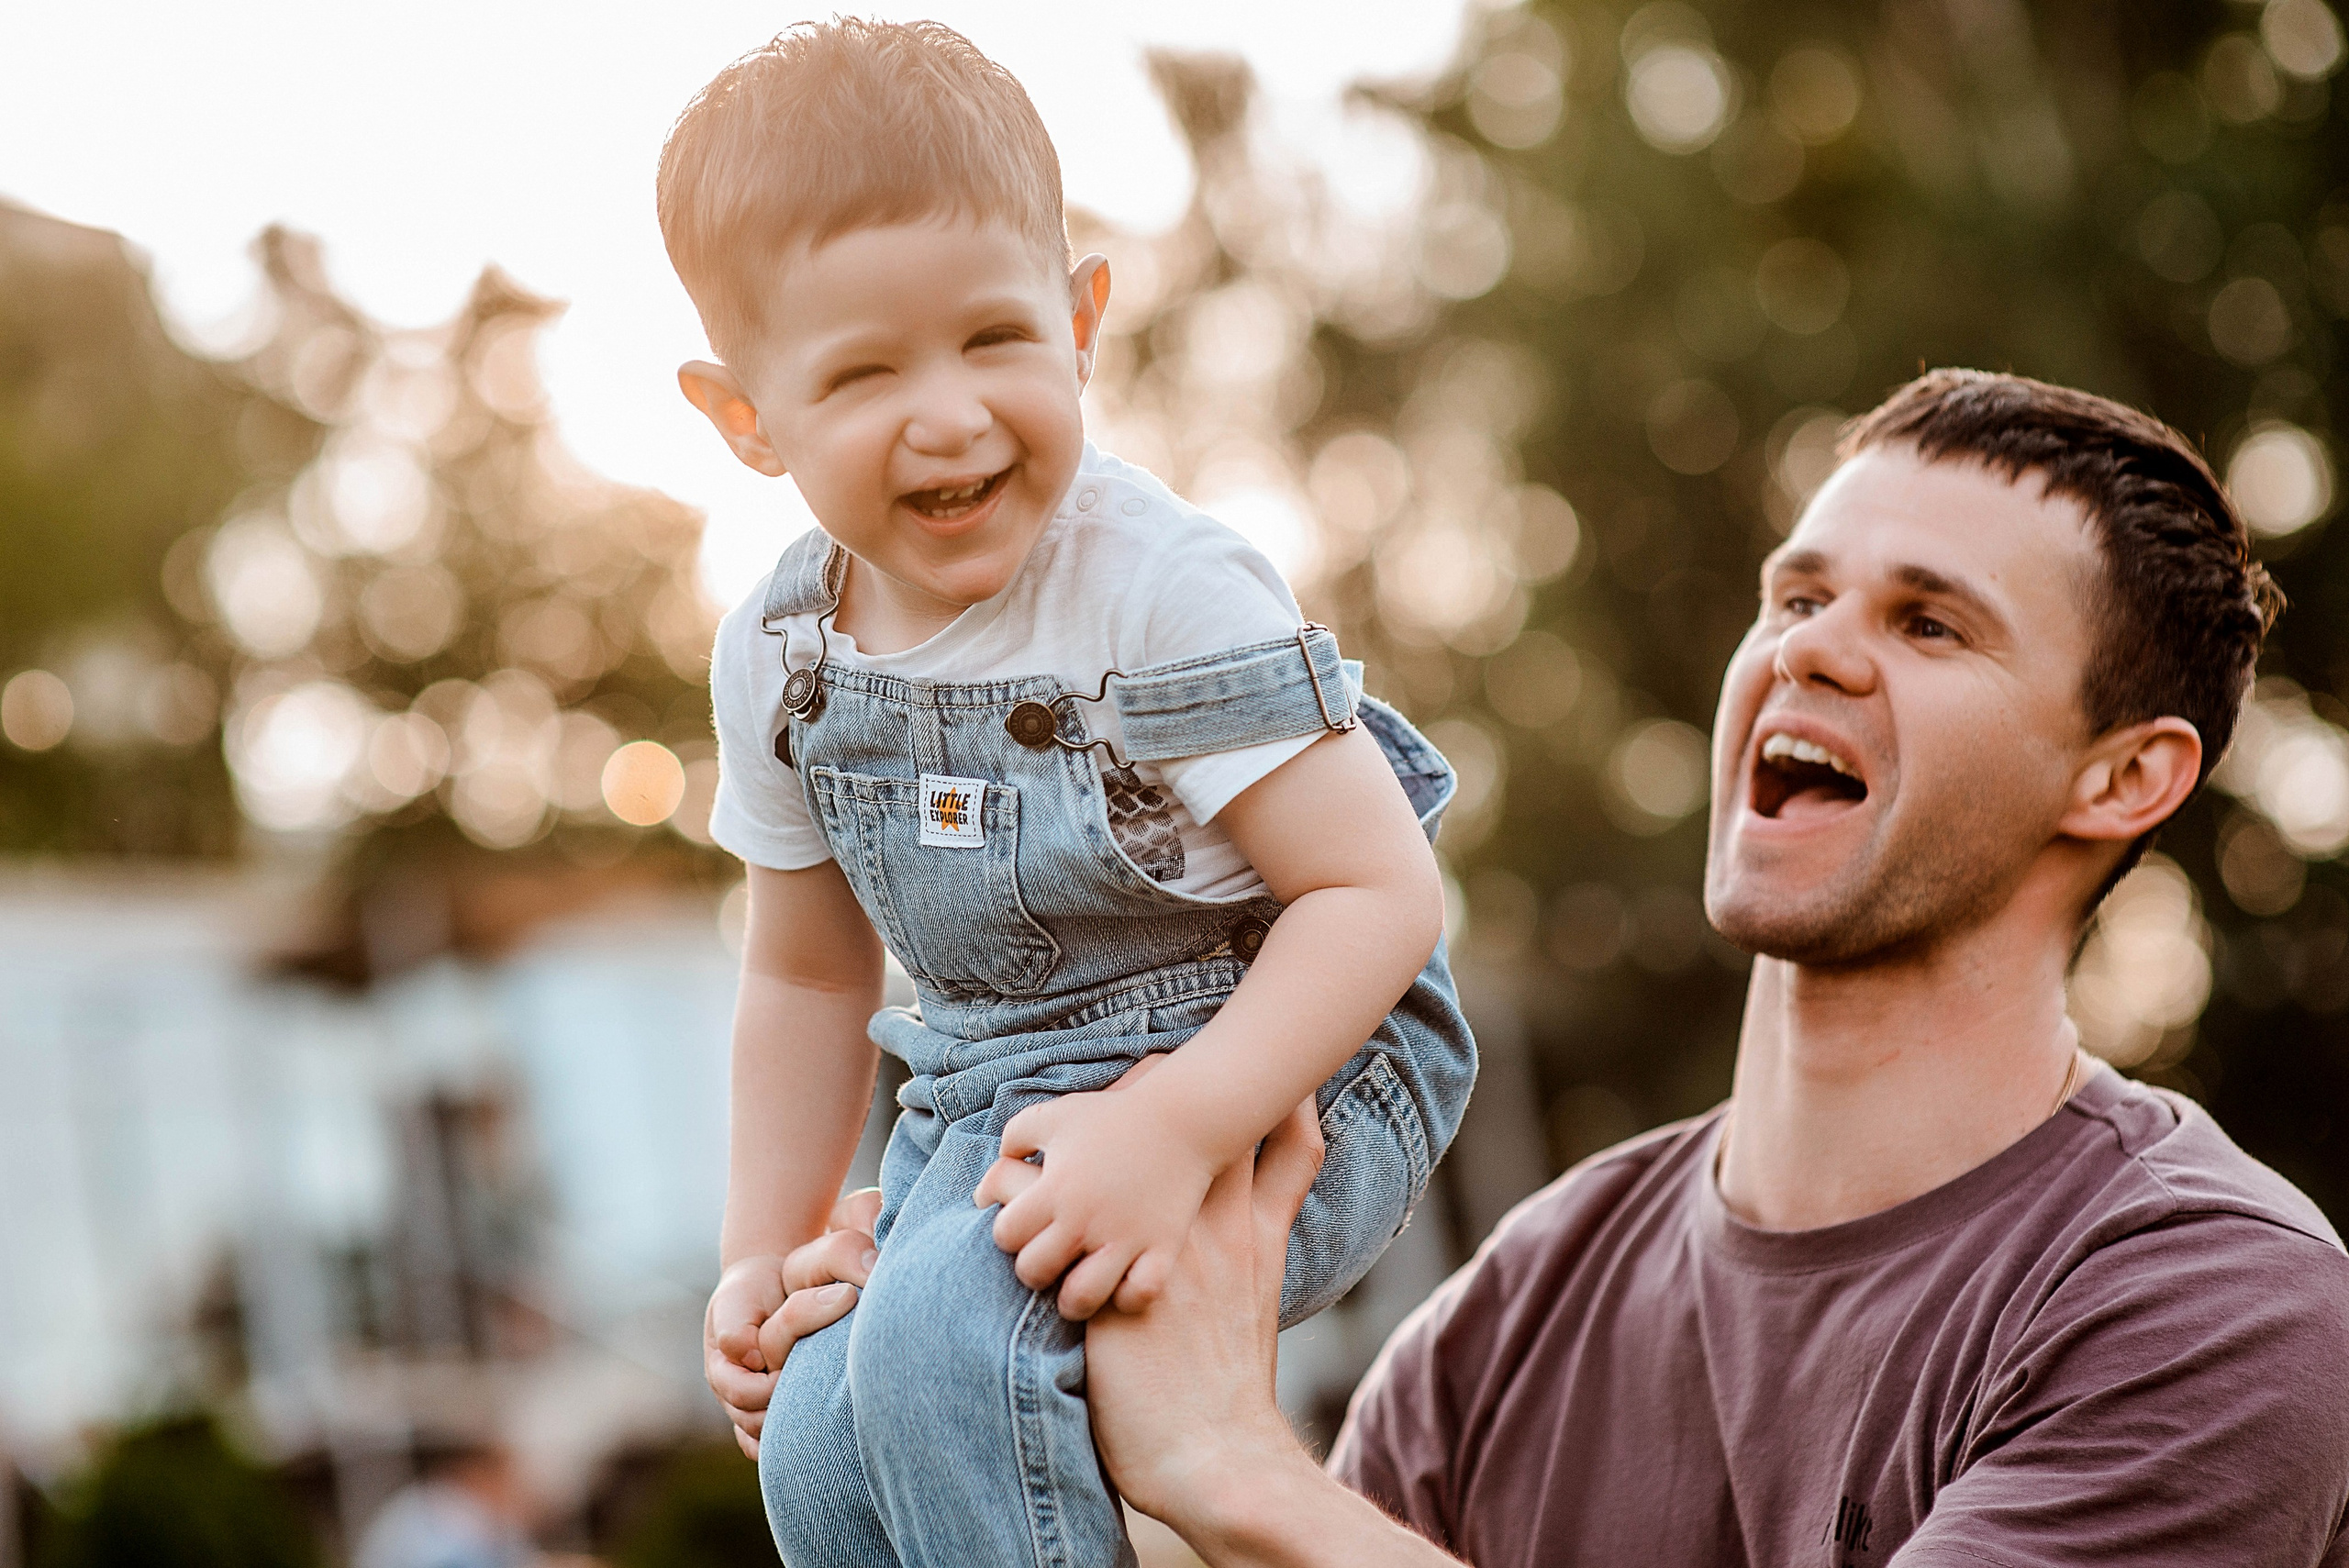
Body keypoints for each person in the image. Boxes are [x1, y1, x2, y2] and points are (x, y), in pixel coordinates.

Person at [772, 370, 2349, 1564]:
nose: (1808, 647)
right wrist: (914, 1356)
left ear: (2126, 780)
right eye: (1797, 596)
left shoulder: (2217, 1306)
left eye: (1932, 625)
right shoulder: (1527, 1299)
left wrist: (1243, 1475)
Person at [659, 19, 1477, 1568]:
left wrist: (1175, 1125)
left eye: (993, 338)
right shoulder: (783, 652)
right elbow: (804, 969)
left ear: (1083, 318)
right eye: (863, 369)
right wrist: (761, 1256)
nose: (951, 411)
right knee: (826, 1414)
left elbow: (1379, 896)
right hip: (991, 1092)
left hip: (1284, 1050)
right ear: (745, 416)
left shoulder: (1166, 589)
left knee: (937, 1351)